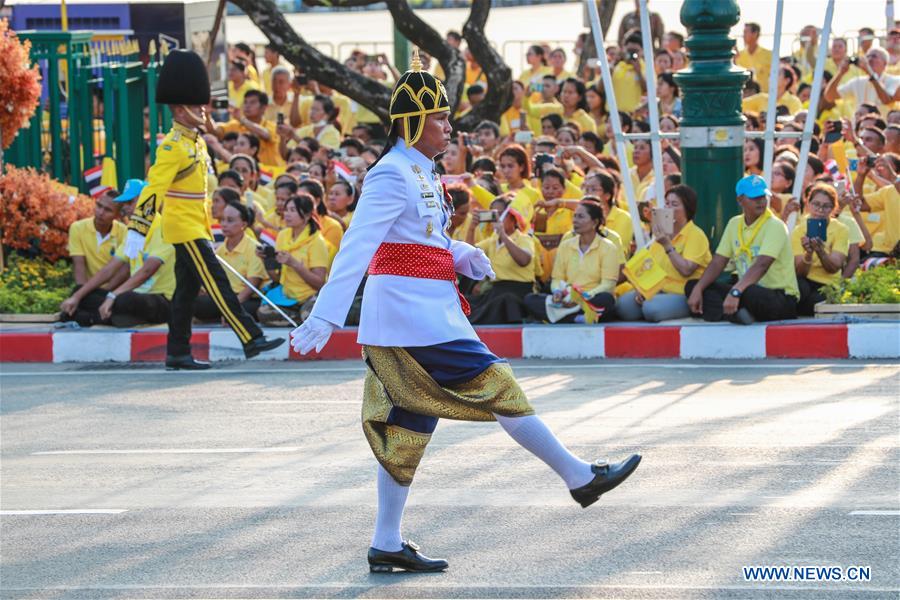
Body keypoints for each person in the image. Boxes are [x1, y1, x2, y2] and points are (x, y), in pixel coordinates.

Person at [289, 51, 640, 574]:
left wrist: (460, 253)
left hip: (426, 310)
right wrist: (327, 314)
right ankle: (578, 476)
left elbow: (420, 239)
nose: (448, 127)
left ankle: (386, 541)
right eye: (439, 118)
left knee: (408, 424)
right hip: (411, 316)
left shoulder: (421, 170)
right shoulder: (390, 173)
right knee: (498, 383)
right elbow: (360, 245)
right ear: (412, 122)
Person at [124, 50, 283, 370]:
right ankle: (250, 338)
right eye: (197, 106)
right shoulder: (172, 146)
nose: (203, 110)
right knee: (216, 282)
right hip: (184, 228)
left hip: (195, 224)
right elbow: (154, 187)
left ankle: (178, 352)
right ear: (181, 110)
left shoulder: (194, 141)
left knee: (184, 293)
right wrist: (138, 228)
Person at [686, 175, 799, 324]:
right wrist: (699, 288)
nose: (761, 201)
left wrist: (735, 291)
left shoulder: (775, 225)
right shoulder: (734, 223)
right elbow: (718, 262)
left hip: (781, 297)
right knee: (692, 286)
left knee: (749, 291)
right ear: (740, 200)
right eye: (754, 197)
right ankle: (737, 314)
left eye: (763, 196)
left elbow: (762, 265)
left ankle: (729, 314)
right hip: (746, 290)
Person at [617, 184, 711, 322]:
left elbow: (686, 270)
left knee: (651, 309)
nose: (668, 208)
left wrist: (667, 245)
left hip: (681, 292)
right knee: (622, 307)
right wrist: (640, 289)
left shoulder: (696, 235)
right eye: (667, 203)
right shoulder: (662, 234)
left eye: (674, 204)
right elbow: (649, 267)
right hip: (658, 289)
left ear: (687, 208)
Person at [524, 201, 619, 323]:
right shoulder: (566, 246)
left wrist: (582, 298)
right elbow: (557, 279)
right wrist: (558, 292)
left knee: (607, 300)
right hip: (567, 297)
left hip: (591, 298)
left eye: (581, 216)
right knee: (530, 299)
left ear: (595, 222)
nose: (575, 220)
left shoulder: (608, 247)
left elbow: (608, 285)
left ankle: (564, 317)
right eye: (575, 216)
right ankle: (576, 318)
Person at [258, 193, 329, 324]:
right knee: (263, 312)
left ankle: (299, 319)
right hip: (288, 297)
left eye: (293, 210)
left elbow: (319, 283)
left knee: (309, 315)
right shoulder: (283, 235)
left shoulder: (317, 241)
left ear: (307, 215)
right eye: (286, 210)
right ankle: (298, 319)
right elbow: (277, 278)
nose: (287, 214)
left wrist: (294, 264)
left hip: (310, 296)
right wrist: (267, 260)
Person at [466, 198, 536, 324]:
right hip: (496, 290)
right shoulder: (492, 241)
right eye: (493, 214)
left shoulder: (524, 239)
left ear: (512, 217)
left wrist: (503, 235)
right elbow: (469, 255)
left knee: (505, 301)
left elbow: (524, 260)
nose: (496, 219)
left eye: (500, 214)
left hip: (517, 291)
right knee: (466, 302)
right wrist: (471, 228)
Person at [195, 200, 267, 322]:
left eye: (230, 220)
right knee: (195, 304)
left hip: (247, 299)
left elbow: (250, 288)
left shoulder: (254, 248)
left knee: (243, 311)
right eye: (222, 220)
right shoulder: (219, 250)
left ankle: (226, 316)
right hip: (226, 298)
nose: (224, 224)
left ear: (244, 224)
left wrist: (230, 309)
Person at [791, 185, 849, 315]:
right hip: (805, 280)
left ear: (833, 207)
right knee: (798, 291)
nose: (820, 210)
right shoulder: (799, 230)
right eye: (816, 204)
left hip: (827, 284)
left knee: (814, 304)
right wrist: (809, 253)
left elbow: (834, 267)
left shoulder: (841, 229)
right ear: (808, 204)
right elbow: (800, 272)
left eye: (826, 206)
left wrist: (821, 251)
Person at [67, 188, 129, 286]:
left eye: (108, 210)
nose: (100, 212)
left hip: (114, 290)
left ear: (117, 215)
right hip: (86, 290)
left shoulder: (125, 232)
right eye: (99, 206)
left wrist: (106, 294)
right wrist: (82, 294)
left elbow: (124, 272)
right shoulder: (77, 228)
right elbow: (79, 267)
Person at [735, 23, 773, 93]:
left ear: (755, 34)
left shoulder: (769, 55)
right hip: (744, 98)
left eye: (746, 32)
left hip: (763, 99)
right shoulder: (739, 56)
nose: (743, 36)